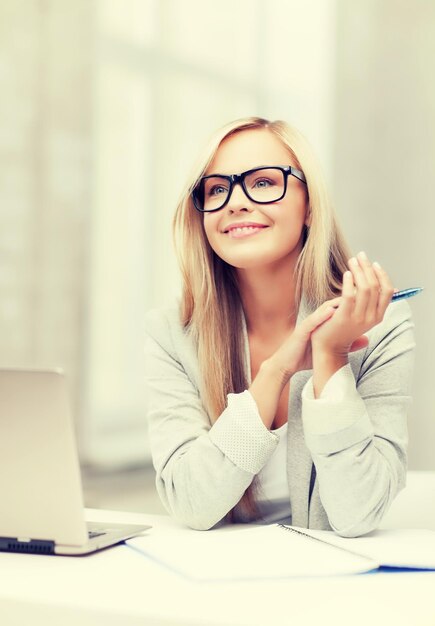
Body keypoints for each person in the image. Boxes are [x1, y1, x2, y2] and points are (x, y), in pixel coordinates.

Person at [144, 117, 415, 536]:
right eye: (216, 189)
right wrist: (274, 373)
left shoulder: (382, 326)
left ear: (310, 206)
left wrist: (332, 357)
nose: (235, 202)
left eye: (265, 182)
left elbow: (359, 513)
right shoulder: (172, 331)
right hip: (213, 582)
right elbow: (192, 504)